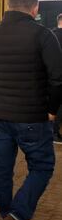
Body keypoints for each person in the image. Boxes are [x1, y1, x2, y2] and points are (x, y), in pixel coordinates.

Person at [0, 0, 62, 220]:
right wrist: (52, 110)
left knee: (2, 171)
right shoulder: (42, 35)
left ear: (9, 6)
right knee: (43, 166)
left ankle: (8, 219)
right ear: (34, 9)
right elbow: (58, 78)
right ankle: (16, 217)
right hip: (32, 116)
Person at [52, 13, 62, 142]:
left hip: (52, 77)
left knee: (56, 105)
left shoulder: (50, 34)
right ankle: (54, 133)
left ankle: (54, 132)